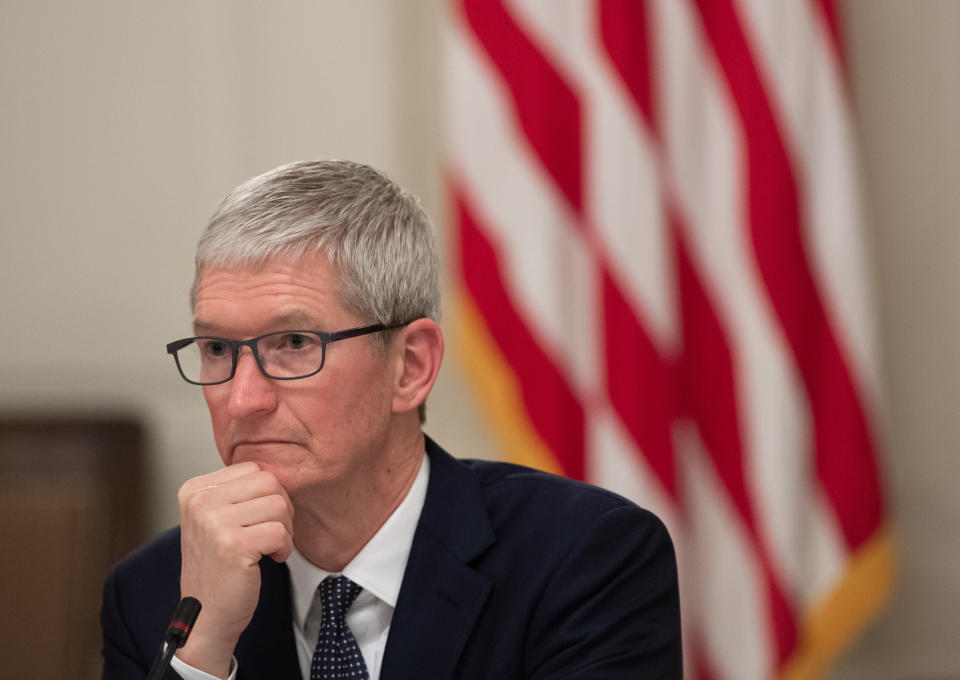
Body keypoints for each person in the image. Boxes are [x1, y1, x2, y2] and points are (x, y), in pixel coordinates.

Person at [100, 160, 682, 680]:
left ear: (410, 366)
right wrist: (201, 656)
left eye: (295, 343)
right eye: (218, 350)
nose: (243, 399)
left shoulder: (583, 559)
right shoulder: (155, 594)